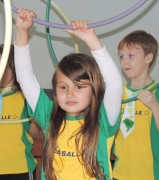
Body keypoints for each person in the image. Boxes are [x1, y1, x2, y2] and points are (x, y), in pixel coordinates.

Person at [14, 8, 123, 180]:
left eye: (79, 87)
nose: (70, 93)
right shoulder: (49, 115)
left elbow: (115, 85)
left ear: (94, 90)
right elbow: (25, 78)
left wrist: (91, 39)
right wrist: (21, 31)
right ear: (56, 92)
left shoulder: (103, 119)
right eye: (63, 87)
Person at [0, 44, 37, 180]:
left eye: (4, 66)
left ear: (15, 69)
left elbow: (34, 132)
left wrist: (36, 122)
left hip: (21, 168)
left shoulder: (25, 98)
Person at [112, 30, 159, 180]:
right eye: (122, 56)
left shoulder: (156, 92)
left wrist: (155, 106)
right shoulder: (117, 93)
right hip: (119, 173)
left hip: (150, 174)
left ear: (148, 57)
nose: (124, 61)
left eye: (131, 56)